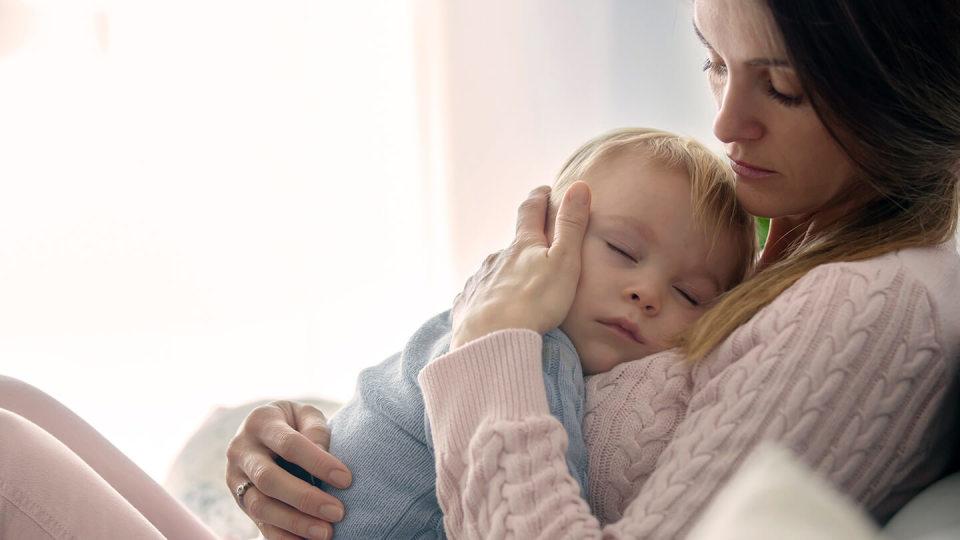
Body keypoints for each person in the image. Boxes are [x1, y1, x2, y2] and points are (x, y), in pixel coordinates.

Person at [225, 0, 960, 538]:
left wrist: (491, 342)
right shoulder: (791, 243)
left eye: (785, 88)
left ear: (905, 96)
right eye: (714, 61)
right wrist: (315, 444)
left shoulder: (873, 303)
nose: (725, 124)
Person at [304, 127, 755, 538]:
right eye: (621, 249)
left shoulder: (464, 317)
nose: (648, 293)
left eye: (690, 294)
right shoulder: (536, 355)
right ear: (544, 235)